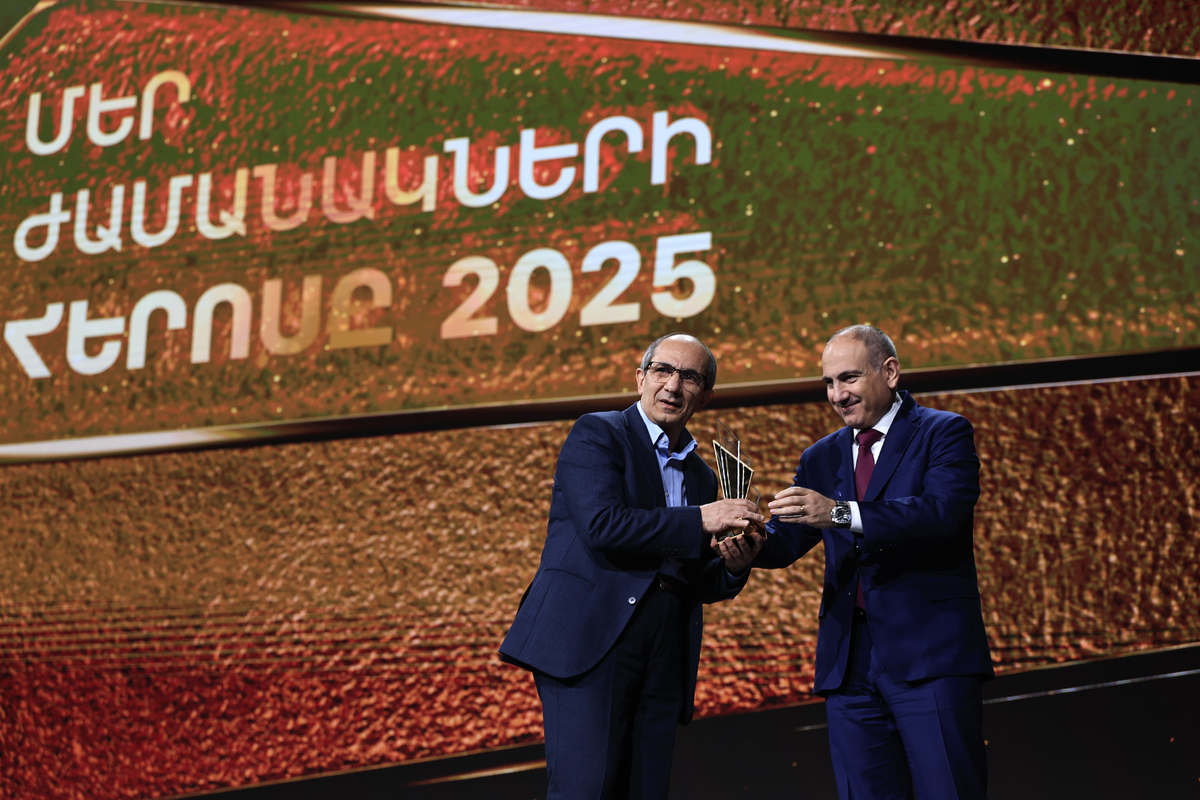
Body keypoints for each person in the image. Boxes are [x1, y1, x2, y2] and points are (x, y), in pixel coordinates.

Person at [500, 332, 766, 800]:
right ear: (641, 378)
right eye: (663, 370)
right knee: (587, 789)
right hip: (592, 641)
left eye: (689, 377)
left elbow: (694, 575)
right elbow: (603, 525)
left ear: (706, 395)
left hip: (665, 649)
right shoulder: (598, 433)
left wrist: (733, 567)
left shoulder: (702, 475)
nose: (673, 386)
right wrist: (700, 519)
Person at [756, 324, 993, 800]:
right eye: (828, 383)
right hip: (849, 666)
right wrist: (746, 544)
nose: (837, 395)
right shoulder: (821, 456)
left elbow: (941, 513)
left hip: (929, 655)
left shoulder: (943, 432)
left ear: (890, 372)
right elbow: (786, 542)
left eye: (849, 378)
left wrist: (839, 513)